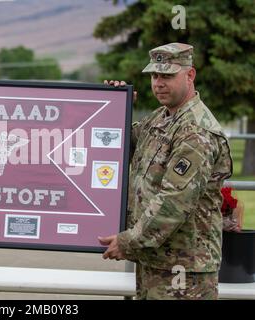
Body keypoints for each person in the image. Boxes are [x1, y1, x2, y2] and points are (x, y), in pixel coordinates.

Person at [99, 43, 233, 300]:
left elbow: (174, 202)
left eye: (167, 75)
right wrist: (114, 107)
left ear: (190, 75)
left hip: (185, 270)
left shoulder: (195, 131)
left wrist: (127, 242)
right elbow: (119, 147)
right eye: (154, 75)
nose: (158, 83)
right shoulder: (160, 119)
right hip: (155, 259)